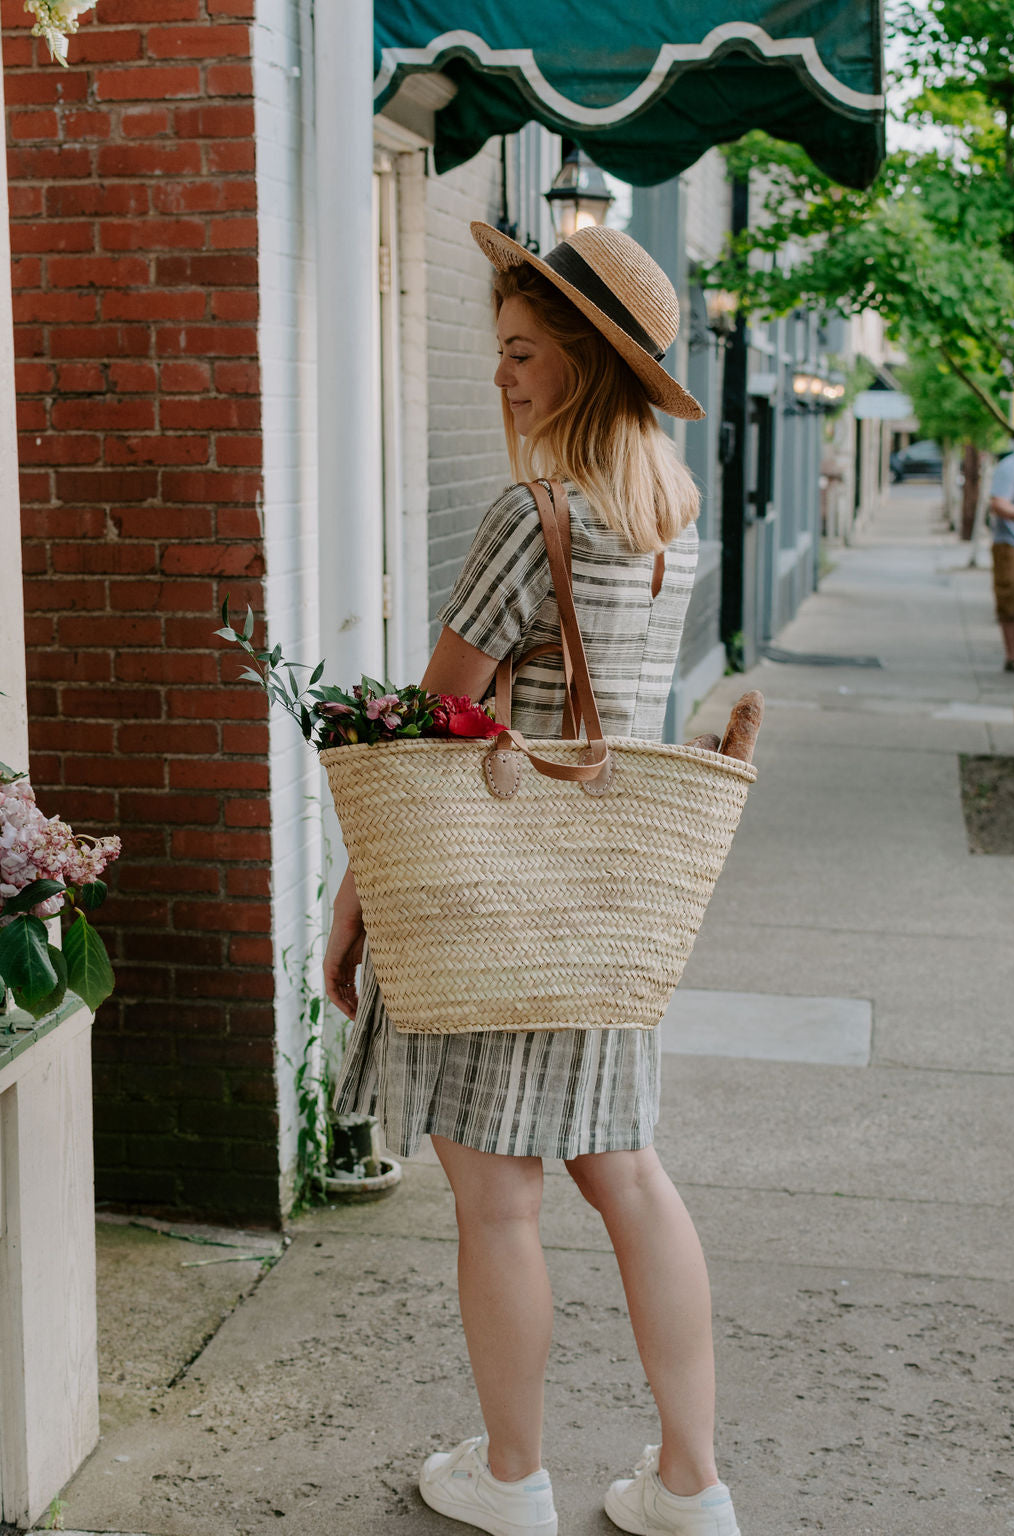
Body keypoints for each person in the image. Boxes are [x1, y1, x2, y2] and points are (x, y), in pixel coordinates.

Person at [323, 219, 742, 1536]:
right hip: (608, 896)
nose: (499, 377)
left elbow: (430, 723)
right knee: (625, 1169)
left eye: (517, 353)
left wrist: (356, 894)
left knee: (498, 1198)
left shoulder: (536, 510)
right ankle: (691, 1482)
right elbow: (608, 704)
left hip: (505, 896)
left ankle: (513, 1479)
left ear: (580, 363)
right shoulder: (665, 511)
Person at [989, 444, 1014, 671]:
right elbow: (998, 504)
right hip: (1011, 543)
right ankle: (1013, 655)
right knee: (1010, 598)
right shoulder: (1010, 467)